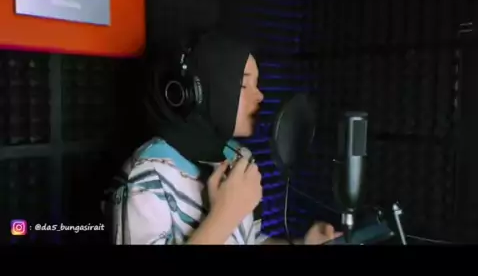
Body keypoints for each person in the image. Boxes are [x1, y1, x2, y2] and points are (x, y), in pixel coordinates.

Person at [103, 30, 340, 245]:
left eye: (257, 84)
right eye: (243, 84)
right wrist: (226, 214)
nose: (260, 95)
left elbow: (248, 241)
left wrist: (302, 245)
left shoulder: (239, 157)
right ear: (200, 91)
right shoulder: (149, 174)